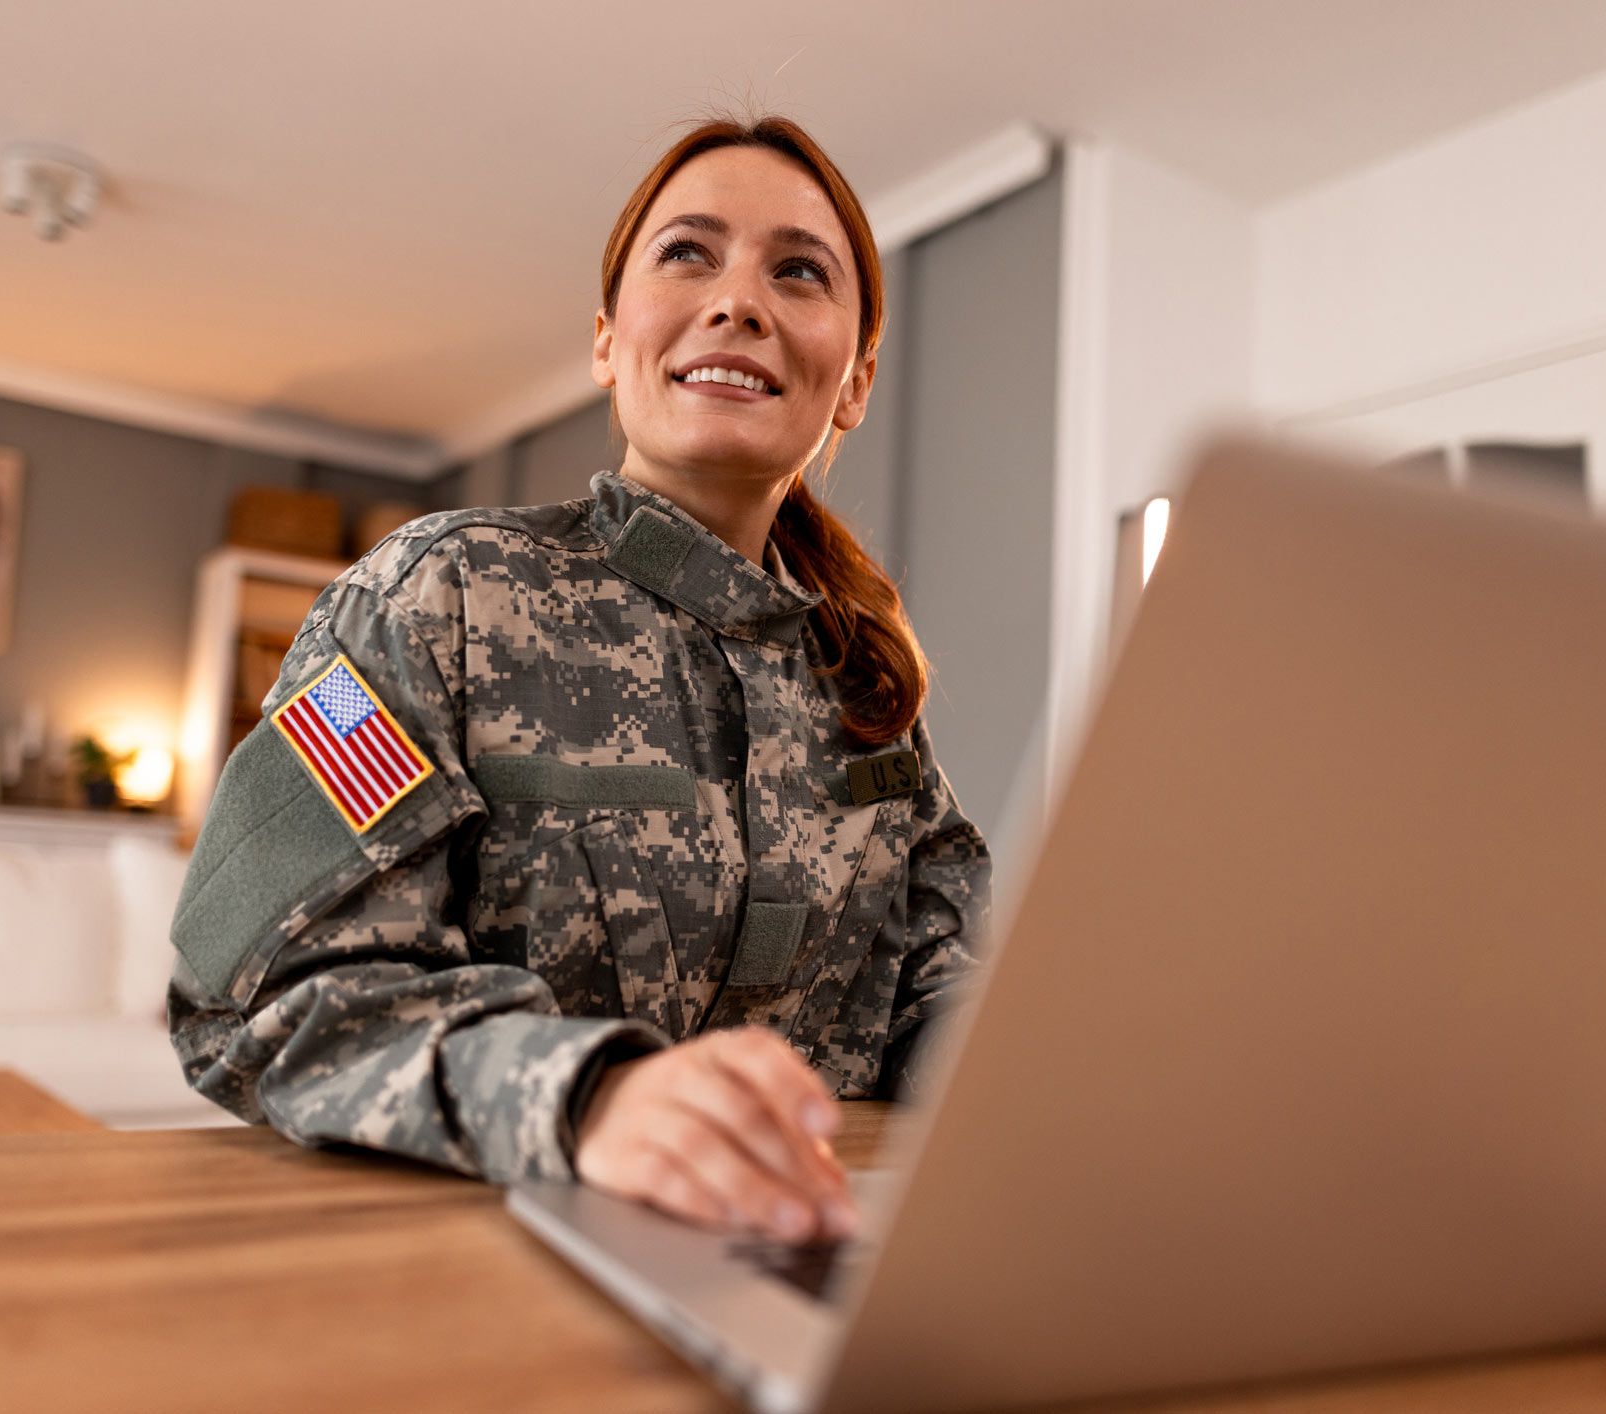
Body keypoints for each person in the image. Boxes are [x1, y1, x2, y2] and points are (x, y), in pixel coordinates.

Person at [166, 112, 991, 1246]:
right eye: (687, 252)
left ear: (850, 382)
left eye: (798, 271)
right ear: (607, 341)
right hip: (467, 1253)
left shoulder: (864, 686)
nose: (738, 299)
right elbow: (268, 993)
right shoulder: (428, 599)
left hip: (807, 1257)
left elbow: (941, 986)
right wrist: (584, 1096)